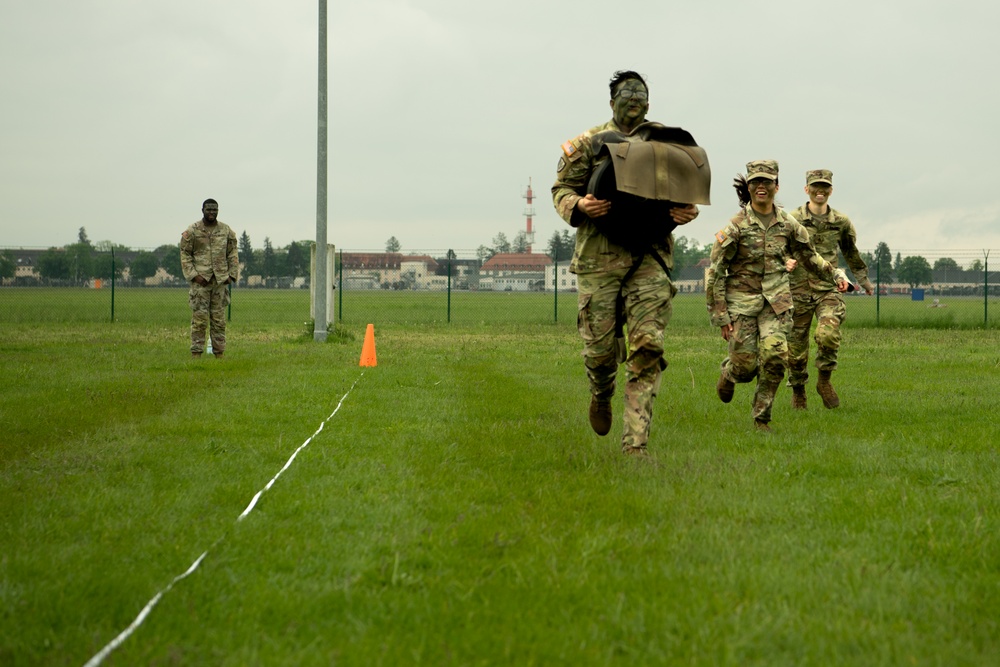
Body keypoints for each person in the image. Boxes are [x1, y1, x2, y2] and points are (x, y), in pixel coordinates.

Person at [551, 70, 702, 456]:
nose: (633, 98)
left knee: (648, 345)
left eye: (640, 93)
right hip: (599, 256)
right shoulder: (588, 142)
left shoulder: (666, 142)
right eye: (625, 92)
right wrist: (580, 204)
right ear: (612, 100)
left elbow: (685, 195)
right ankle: (601, 391)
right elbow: (561, 190)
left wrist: (688, 212)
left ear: (648, 102)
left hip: (649, 256)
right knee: (600, 351)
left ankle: (635, 447)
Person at [705, 161, 848, 433]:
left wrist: (836, 275)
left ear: (776, 187)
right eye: (755, 182)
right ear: (748, 188)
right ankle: (730, 373)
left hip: (777, 303)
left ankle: (762, 420)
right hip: (742, 304)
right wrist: (720, 316)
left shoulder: (788, 224)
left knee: (775, 356)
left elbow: (809, 255)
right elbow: (715, 272)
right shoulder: (735, 226)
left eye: (767, 182)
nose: (761, 187)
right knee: (745, 367)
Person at [787, 170, 874, 409]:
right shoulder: (792, 219)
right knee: (795, 349)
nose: (820, 190)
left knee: (828, 334)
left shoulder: (841, 222)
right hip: (798, 290)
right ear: (807, 189)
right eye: (815, 186)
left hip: (829, 288)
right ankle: (798, 391)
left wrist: (863, 280)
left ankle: (824, 381)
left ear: (831, 191)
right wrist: (785, 262)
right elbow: (779, 247)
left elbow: (850, 252)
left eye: (825, 186)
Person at [180, 199, 239, 358]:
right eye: (208, 209)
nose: (211, 212)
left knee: (219, 321)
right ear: (202, 210)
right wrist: (194, 275)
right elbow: (185, 254)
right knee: (199, 321)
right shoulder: (193, 230)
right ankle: (196, 354)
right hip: (201, 282)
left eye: (214, 209)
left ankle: (219, 354)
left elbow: (233, 253)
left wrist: (231, 275)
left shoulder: (225, 230)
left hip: (219, 282)